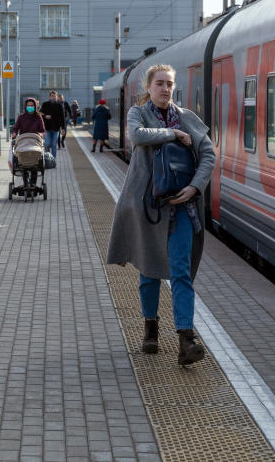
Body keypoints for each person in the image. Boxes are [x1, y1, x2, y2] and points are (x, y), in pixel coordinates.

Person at [107, 64, 216, 366]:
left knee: (180, 270)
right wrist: (173, 133)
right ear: (148, 87)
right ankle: (151, 328)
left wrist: (195, 187)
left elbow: (209, 154)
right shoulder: (138, 114)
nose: (165, 89)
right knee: (149, 271)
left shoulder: (188, 118)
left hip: (182, 206)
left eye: (169, 83)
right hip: (148, 207)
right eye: (159, 83)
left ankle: (186, 338)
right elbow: (138, 137)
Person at [11, 97, 46, 187]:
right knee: (24, 165)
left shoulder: (38, 117)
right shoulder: (21, 117)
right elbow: (15, 128)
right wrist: (14, 133)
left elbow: (43, 130)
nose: (30, 107)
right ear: (25, 106)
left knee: (34, 165)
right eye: (28, 105)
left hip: (35, 142)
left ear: (35, 106)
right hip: (23, 142)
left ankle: (33, 183)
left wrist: (41, 135)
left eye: (32, 105)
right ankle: (26, 183)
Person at [40, 90, 65, 158]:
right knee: (47, 144)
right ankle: (47, 158)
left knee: (54, 145)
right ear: (49, 97)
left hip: (56, 128)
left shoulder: (59, 106)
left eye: (54, 96)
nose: (53, 97)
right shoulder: (45, 104)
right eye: (52, 96)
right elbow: (40, 114)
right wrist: (45, 116)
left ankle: (53, 160)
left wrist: (63, 128)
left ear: (56, 97)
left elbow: (62, 118)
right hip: (47, 128)